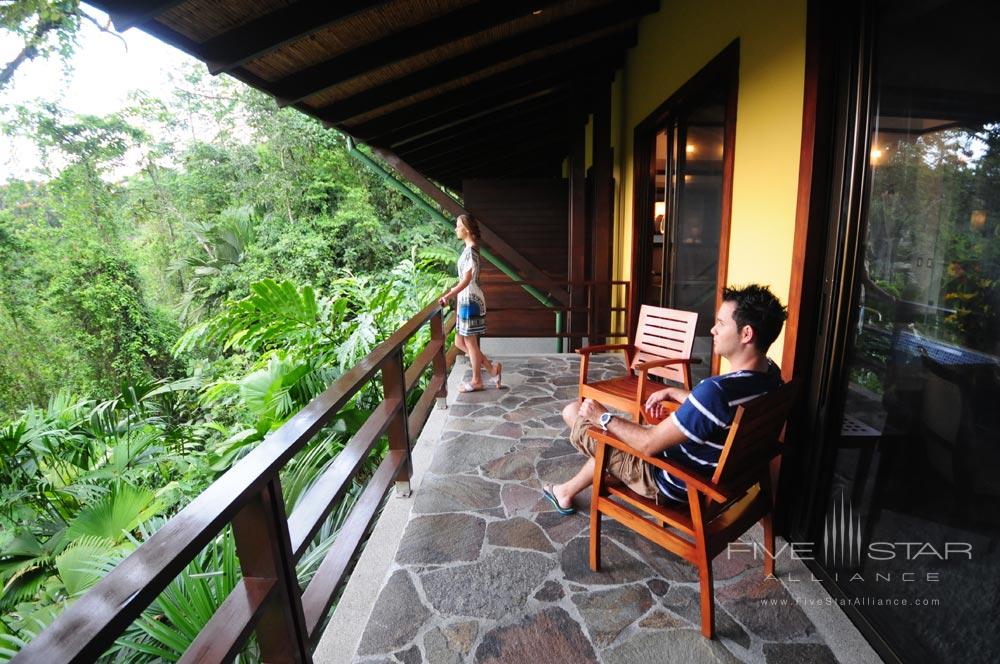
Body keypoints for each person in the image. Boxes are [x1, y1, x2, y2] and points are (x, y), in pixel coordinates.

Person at [542, 284, 787, 514]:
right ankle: (566, 491)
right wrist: (674, 393)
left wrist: (603, 417)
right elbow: (721, 408)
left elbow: (648, 444)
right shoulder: (772, 378)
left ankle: (570, 487)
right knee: (617, 434)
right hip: (716, 474)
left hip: (669, 480)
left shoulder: (715, 391)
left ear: (746, 334)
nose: (713, 330)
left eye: (721, 324)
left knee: (576, 412)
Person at [439, 214, 502, 393]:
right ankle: (491, 369)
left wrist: (448, 295)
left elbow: (466, 280)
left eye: (458, 226)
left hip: (470, 299)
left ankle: (477, 381)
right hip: (467, 299)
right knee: (460, 341)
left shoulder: (471, 251)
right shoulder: (470, 249)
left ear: (466, 229)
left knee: (470, 342)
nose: (455, 229)